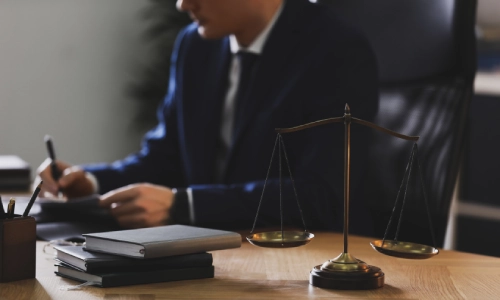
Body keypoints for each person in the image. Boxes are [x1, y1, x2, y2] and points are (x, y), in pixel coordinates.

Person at [37, 0, 378, 234]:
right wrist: (90, 183)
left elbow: (322, 196)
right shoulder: (194, 46)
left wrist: (185, 206)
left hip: (301, 263)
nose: (182, 4)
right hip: (215, 254)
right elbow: (165, 159)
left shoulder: (337, 50)